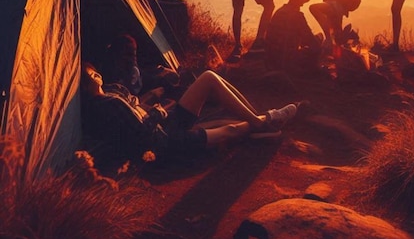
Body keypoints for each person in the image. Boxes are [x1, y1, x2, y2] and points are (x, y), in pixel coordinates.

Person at [81, 62, 299, 162]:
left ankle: (257, 120)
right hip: (164, 143)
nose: (95, 76)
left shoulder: (113, 90)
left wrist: (156, 106)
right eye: (89, 77)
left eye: (94, 72)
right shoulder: (105, 106)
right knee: (230, 130)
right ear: (83, 87)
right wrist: (160, 111)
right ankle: (267, 119)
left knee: (209, 77)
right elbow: (141, 132)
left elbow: (138, 105)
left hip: (164, 125)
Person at [266, 0, 322, 72]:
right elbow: (310, 41)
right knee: (318, 43)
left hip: (271, 59)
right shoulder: (297, 16)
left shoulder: (279, 12)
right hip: (286, 60)